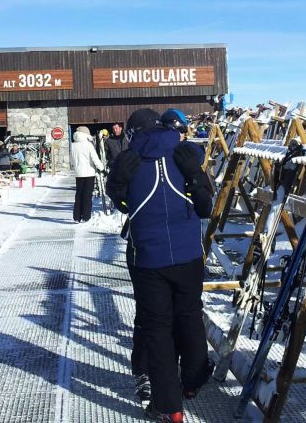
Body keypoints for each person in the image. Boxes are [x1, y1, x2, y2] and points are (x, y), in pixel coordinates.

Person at [106, 109, 214, 422]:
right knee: (190, 316)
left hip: (149, 258)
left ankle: (170, 406)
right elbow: (205, 206)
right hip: (188, 255)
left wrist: (117, 187)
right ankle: (192, 381)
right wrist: (195, 177)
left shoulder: (129, 160)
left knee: (157, 330)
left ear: (132, 132)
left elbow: (125, 205)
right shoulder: (187, 152)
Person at [70, 126, 104, 223]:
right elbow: (95, 159)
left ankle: (77, 216)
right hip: (89, 173)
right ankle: (86, 216)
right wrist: (102, 169)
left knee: (79, 195)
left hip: (78, 174)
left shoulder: (73, 145)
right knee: (87, 196)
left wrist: (75, 168)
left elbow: (72, 161)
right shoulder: (88, 144)